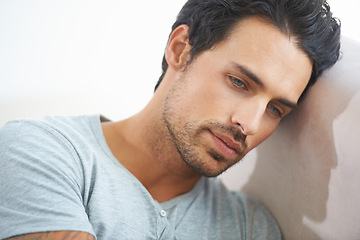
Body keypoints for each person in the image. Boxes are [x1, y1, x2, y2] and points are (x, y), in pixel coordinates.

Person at [0, 0, 340, 239]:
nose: (250, 124)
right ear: (180, 49)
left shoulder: (252, 228)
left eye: (275, 110)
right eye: (239, 82)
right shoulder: (39, 150)